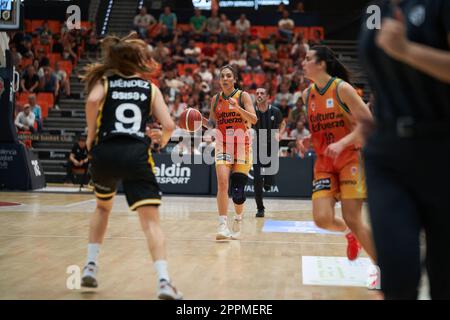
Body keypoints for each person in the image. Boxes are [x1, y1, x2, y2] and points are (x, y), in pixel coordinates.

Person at [80, 32, 182, 299]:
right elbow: (169, 125)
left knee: (103, 207)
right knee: (151, 223)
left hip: (105, 153)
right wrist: (162, 139)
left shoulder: (106, 81)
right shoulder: (150, 88)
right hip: (136, 154)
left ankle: (90, 266)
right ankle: (163, 281)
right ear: (138, 61)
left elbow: (91, 101)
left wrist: (91, 136)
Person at [359, 0, 450, 299]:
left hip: (440, 149)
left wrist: (407, 51)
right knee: (397, 273)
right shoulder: (375, 9)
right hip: (386, 155)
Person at [299, 46, 378, 280]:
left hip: (350, 158)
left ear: (321, 64)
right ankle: (350, 234)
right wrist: (308, 139)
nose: (303, 63)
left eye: (308, 59)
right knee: (321, 219)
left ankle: (383, 268)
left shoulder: (342, 89)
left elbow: (368, 124)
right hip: (324, 162)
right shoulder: (307, 95)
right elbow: (322, 128)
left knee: (353, 217)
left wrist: (343, 143)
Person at [203, 65, 257, 240]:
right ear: (219, 80)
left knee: (238, 190)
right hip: (223, 145)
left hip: (242, 146)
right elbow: (212, 123)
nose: (225, 79)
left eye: (228, 76)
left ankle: (238, 219)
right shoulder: (215, 99)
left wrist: (238, 108)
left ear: (234, 79)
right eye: (222, 76)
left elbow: (254, 119)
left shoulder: (243, 96)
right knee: (222, 182)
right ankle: (222, 225)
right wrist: (198, 121)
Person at [252, 87, 284, 218]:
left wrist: (280, 134)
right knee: (257, 180)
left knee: (268, 183)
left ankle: (269, 182)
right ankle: (260, 208)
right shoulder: (252, 112)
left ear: (268, 96)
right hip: (257, 148)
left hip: (272, 147)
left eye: (262, 93)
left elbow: (283, 123)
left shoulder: (275, 111)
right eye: (257, 93)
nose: (259, 95)